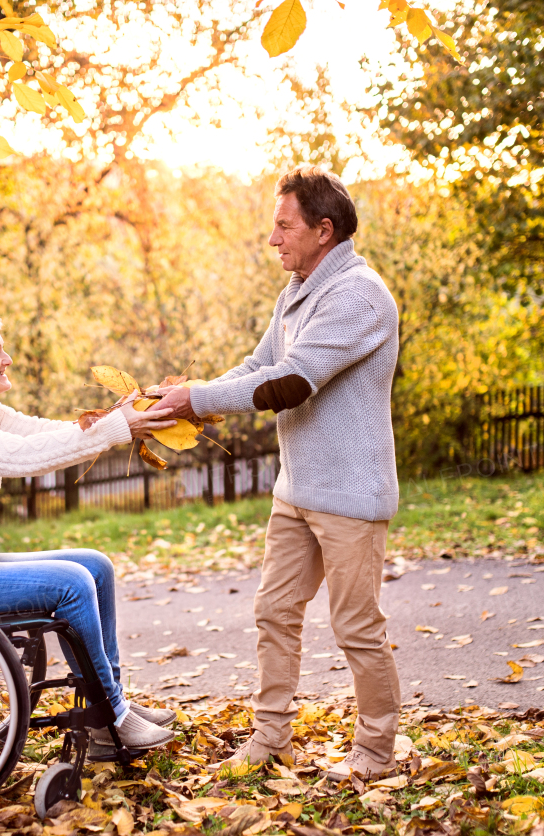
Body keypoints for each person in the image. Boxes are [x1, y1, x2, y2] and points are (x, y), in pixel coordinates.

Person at [158, 165, 401, 781]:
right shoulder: (297, 289)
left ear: (324, 230)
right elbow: (259, 363)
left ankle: (374, 753)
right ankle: (271, 738)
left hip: (350, 493)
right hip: (297, 490)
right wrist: (189, 395)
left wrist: (200, 398)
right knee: (274, 612)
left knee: (356, 628)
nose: (273, 238)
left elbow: (290, 383)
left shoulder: (359, 295)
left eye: (283, 224)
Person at [0, 307, 179, 750]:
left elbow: (46, 434)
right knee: (72, 583)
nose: (9, 358)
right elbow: (26, 459)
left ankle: (110, 699)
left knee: (95, 565)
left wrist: (117, 416)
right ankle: (109, 717)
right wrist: (117, 429)